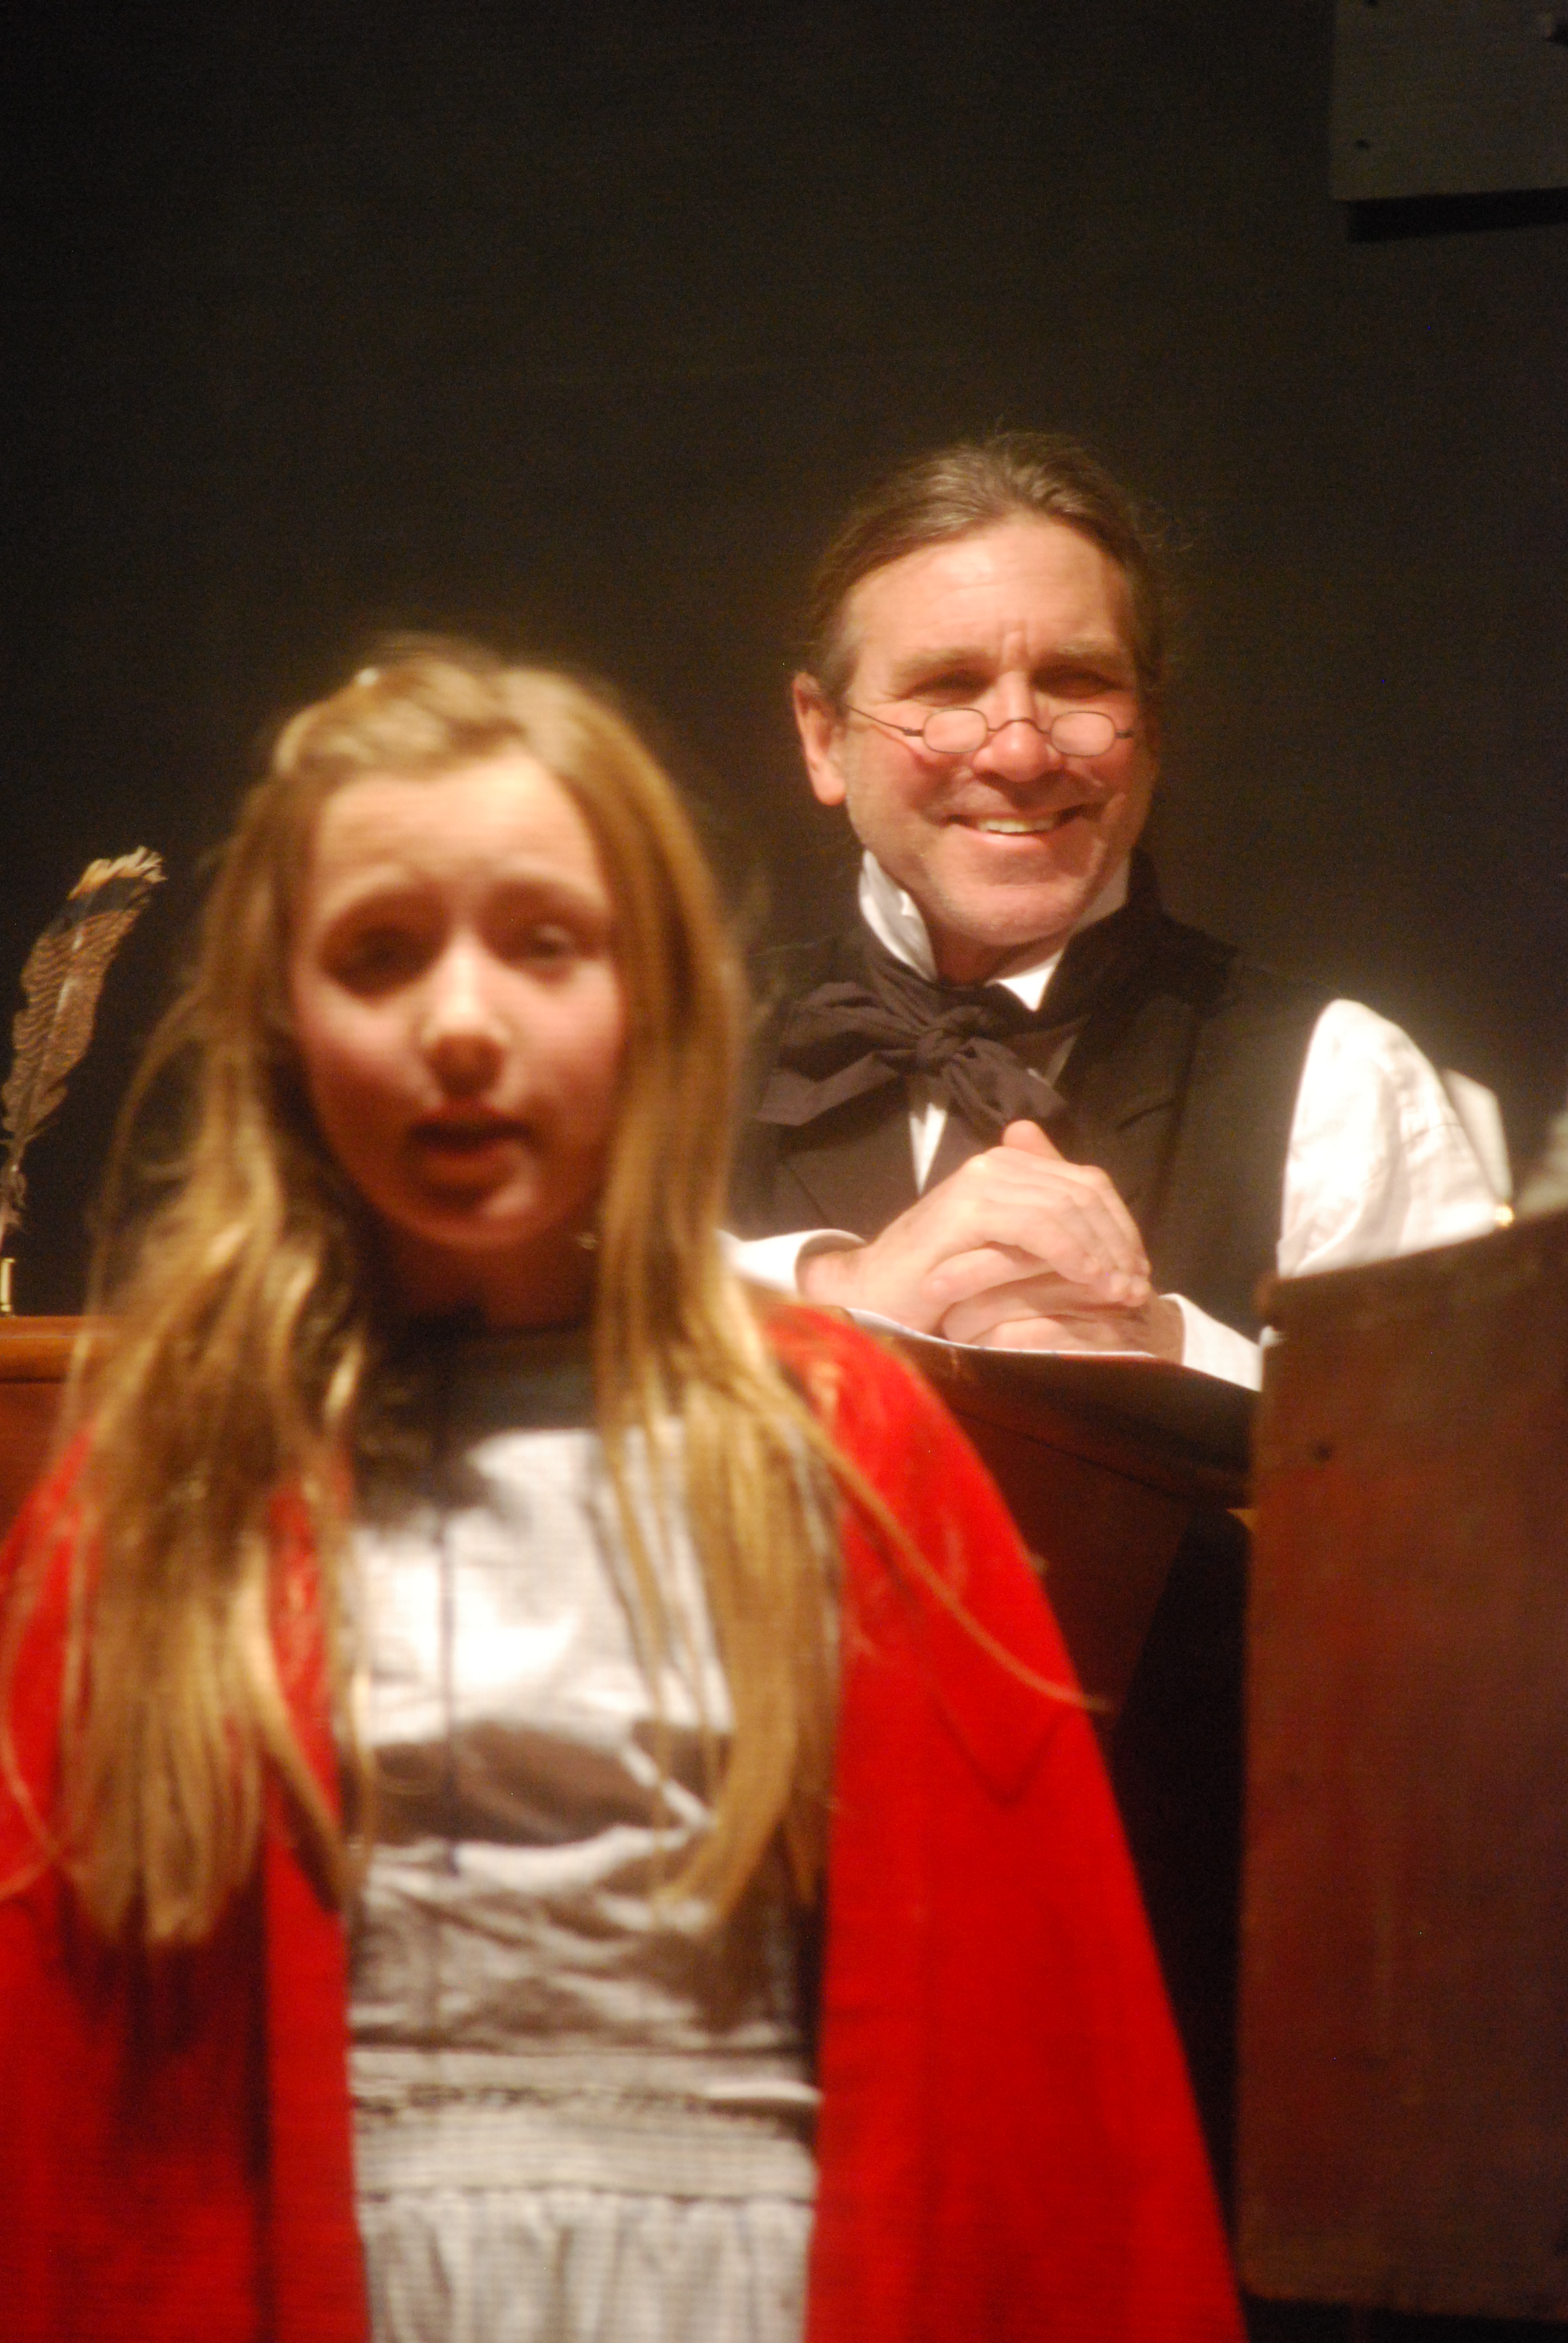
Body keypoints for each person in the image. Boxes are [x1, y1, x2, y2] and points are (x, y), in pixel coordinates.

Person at [0, 646, 1242, 2343]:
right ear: (285, 1031)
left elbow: (1032, 2076)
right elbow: (72, 2111)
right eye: (378, 955)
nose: (460, 1024)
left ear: (652, 1006)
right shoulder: (173, 1476)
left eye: (543, 945)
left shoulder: (836, 1445)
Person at [730, 433, 1503, 1388]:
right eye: (948, 688)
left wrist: (1170, 1360)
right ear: (824, 738)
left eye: (1077, 683)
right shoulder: (667, 1053)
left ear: (1153, 731)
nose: (1020, 752)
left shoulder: (1343, 1083)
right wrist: (831, 1294)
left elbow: (1465, 1466)